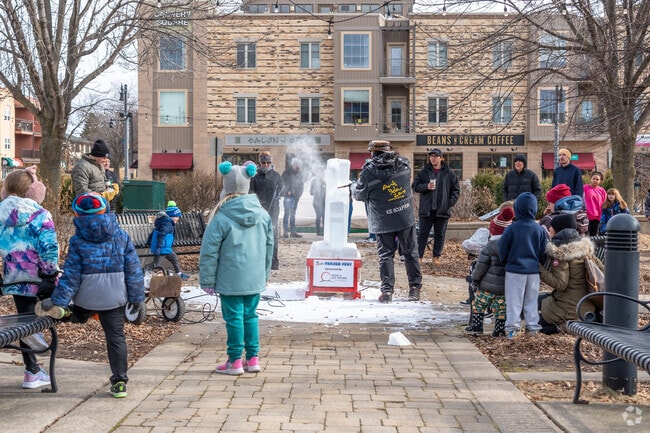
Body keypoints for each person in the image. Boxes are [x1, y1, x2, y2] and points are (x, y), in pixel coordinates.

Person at [37, 193, 145, 398]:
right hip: (114, 297)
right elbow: (133, 271)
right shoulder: (121, 236)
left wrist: (57, 300)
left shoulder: (77, 241)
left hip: (86, 296)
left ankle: (67, 313)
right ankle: (120, 382)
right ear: (105, 210)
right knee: (116, 338)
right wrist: (137, 298)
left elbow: (71, 276)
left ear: (77, 214)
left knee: (79, 312)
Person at [199, 162, 273, 375]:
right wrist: (265, 274)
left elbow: (209, 252)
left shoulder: (221, 216)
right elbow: (269, 247)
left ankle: (234, 361)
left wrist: (207, 280)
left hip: (230, 278)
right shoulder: (263, 214)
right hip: (255, 277)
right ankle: (252, 358)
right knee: (250, 316)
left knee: (234, 318)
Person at [0, 166, 59, 389]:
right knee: (37, 322)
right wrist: (50, 274)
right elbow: (49, 250)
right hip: (40, 278)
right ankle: (33, 371)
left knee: (25, 319)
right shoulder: (40, 215)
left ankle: (32, 370)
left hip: (14, 278)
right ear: (33, 190)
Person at [352, 140, 422, 303]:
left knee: (386, 256)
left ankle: (387, 292)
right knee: (410, 253)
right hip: (404, 216)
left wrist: (354, 187)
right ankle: (414, 290)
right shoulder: (404, 165)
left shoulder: (369, 172)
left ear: (373, 153)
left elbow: (360, 195)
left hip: (383, 220)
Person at [538, 214, 604, 334]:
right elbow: (602, 271)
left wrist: (539, 270)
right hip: (587, 305)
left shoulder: (560, 252)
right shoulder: (586, 251)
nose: (549, 229)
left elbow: (561, 284)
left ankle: (564, 326)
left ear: (559, 230)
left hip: (568, 309)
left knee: (536, 323)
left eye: (551, 227)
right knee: (541, 299)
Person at [498, 192, 548, 339]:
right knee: (531, 300)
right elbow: (543, 251)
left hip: (514, 270)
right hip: (533, 271)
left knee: (514, 300)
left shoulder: (511, 229)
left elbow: (503, 249)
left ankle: (513, 328)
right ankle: (532, 327)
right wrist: (541, 262)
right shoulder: (539, 229)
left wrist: (506, 261)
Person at [465, 206, 514, 337]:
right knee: (501, 309)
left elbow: (480, 266)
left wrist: (474, 279)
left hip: (486, 286)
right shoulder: (512, 247)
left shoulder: (489, 247)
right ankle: (499, 330)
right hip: (504, 287)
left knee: (479, 305)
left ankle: (476, 326)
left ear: (493, 230)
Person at [411, 148, 460, 265]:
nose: (433, 158)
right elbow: (415, 186)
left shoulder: (449, 173)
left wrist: (449, 203)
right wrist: (426, 186)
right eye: (431, 156)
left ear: (441, 158)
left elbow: (456, 190)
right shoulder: (424, 172)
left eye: (435, 156)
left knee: (440, 234)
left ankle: (436, 257)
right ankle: (419, 256)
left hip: (442, 210)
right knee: (422, 234)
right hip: (427, 209)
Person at [250, 151, 283, 269]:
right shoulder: (255, 177)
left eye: (268, 162)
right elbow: (251, 193)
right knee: (259, 237)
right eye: (264, 162)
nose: (266, 165)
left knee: (273, 236)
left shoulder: (276, 176)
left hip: (273, 211)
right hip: (259, 210)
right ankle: (260, 262)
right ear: (260, 163)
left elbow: (282, 190)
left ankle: (273, 262)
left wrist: (280, 193)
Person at [148, 203, 189, 280]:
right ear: (171, 216)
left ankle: (179, 274)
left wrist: (149, 240)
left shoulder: (166, 222)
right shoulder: (167, 224)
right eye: (176, 216)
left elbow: (154, 232)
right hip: (161, 248)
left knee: (174, 258)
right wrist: (158, 248)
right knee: (156, 264)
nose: (178, 218)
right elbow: (161, 235)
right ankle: (146, 271)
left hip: (165, 248)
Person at [281, 157, 305, 238]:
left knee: (293, 214)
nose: (298, 166)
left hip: (296, 197)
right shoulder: (287, 172)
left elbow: (301, 185)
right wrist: (286, 192)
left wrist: (299, 195)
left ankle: (293, 232)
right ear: (293, 164)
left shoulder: (299, 174)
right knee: (287, 213)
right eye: (296, 164)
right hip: (288, 197)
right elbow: (282, 183)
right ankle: (285, 232)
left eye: (299, 165)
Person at [583, 171, 607, 236]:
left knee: (594, 236)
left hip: (597, 217)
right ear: (590, 179)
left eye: (597, 179)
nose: (595, 180)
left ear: (600, 181)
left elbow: (605, 203)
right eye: (593, 179)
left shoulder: (602, 190)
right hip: (586, 216)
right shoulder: (584, 188)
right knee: (586, 236)